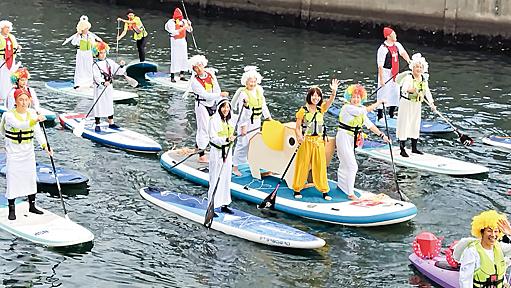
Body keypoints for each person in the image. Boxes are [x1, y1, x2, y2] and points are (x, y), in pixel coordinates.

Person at [0, 88, 50, 220]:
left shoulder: (32, 113)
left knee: (30, 178)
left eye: (26, 100)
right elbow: (20, 125)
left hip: (28, 152)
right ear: (15, 101)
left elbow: (38, 133)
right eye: (20, 100)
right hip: (14, 153)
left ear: (29, 101)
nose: (23, 102)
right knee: (13, 179)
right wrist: (36, 119)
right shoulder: (9, 115)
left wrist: (45, 146)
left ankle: (32, 206)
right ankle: (12, 209)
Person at [336, 84, 390, 200]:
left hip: (352, 139)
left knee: (345, 164)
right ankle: (350, 193)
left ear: (362, 99)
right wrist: (379, 102)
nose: (356, 100)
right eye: (353, 97)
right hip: (343, 137)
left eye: (358, 98)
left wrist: (382, 135)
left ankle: (342, 187)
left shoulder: (359, 110)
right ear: (349, 98)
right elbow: (366, 110)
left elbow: (370, 125)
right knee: (352, 166)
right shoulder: (347, 108)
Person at [292, 79, 339, 201]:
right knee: (302, 164)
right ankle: (297, 188)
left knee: (320, 165)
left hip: (318, 141)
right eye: (314, 96)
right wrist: (299, 136)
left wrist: (333, 92)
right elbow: (297, 127)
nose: (316, 98)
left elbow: (330, 102)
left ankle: (324, 190)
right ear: (309, 97)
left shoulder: (321, 109)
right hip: (306, 141)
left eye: (318, 96)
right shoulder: (302, 111)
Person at [232, 66, 271, 176]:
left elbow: (263, 106)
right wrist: (243, 126)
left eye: (254, 81)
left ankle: (254, 165)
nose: (252, 84)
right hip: (246, 122)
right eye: (250, 81)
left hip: (256, 122)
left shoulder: (259, 91)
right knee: (242, 144)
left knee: (255, 143)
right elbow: (242, 111)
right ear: (246, 82)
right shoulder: (243, 94)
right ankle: (235, 166)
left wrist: (268, 118)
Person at [189, 55, 228, 163]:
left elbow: (216, 88)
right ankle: (201, 155)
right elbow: (205, 95)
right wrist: (219, 94)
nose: (199, 69)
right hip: (202, 105)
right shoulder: (195, 82)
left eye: (200, 65)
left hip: (212, 104)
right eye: (196, 67)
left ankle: (198, 147)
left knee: (213, 126)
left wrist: (221, 99)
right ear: (194, 69)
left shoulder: (210, 74)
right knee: (204, 129)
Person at [456, 210, 511, 288]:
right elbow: (465, 280)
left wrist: (510, 233)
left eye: (496, 231)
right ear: (481, 232)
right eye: (489, 231)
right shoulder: (472, 251)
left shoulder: (500, 247)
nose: (493, 235)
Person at [396, 53, 437, 157]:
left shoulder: (423, 79)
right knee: (404, 124)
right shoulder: (409, 77)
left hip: (417, 104)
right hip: (406, 103)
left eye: (420, 67)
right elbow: (404, 89)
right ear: (412, 68)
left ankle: (414, 148)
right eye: (416, 67)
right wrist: (411, 90)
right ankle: (402, 149)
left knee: (415, 124)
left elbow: (427, 92)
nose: (418, 69)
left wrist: (432, 103)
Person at [208, 98, 236, 216]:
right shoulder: (213, 120)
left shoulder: (230, 120)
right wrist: (225, 140)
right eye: (224, 107)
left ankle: (224, 204)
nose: (226, 109)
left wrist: (245, 106)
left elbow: (244, 117)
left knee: (226, 178)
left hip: (228, 152)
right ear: (219, 108)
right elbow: (213, 138)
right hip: (217, 153)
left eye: (228, 107)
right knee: (215, 178)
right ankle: (211, 205)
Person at [376, 26, 410, 121]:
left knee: (395, 92)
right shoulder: (383, 49)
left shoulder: (397, 45)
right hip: (386, 72)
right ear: (388, 36)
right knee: (383, 93)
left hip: (395, 72)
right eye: (393, 35)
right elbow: (380, 65)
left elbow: (403, 53)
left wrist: (409, 61)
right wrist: (382, 79)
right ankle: (380, 116)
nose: (395, 36)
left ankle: (391, 113)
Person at [91, 41, 126, 132]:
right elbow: (96, 77)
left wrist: (121, 66)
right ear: (97, 54)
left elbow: (118, 71)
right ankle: (97, 124)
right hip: (99, 88)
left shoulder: (109, 62)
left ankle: (111, 123)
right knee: (98, 105)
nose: (103, 55)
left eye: (104, 52)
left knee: (109, 104)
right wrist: (103, 82)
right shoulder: (95, 65)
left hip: (109, 88)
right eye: (101, 53)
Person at [63, 15, 102, 89]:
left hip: (88, 53)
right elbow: (73, 43)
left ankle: (90, 83)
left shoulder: (90, 36)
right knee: (80, 68)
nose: (87, 30)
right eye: (86, 28)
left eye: (87, 28)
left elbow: (94, 44)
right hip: (81, 52)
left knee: (89, 68)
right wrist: (77, 36)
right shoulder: (79, 36)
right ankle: (78, 83)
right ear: (82, 29)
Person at [164, 8, 192, 82]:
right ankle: (172, 77)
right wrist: (183, 28)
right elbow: (173, 32)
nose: (179, 19)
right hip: (175, 42)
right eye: (178, 17)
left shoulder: (184, 21)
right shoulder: (171, 22)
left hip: (183, 41)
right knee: (175, 58)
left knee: (184, 57)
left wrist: (189, 25)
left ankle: (182, 75)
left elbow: (190, 30)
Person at [0, 20, 21, 104]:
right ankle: (2, 96)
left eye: (9, 28)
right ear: (2, 28)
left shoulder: (12, 37)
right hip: (2, 60)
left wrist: (18, 47)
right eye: (6, 28)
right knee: (2, 77)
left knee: (10, 77)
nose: (8, 29)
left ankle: (10, 95)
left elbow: (15, 47)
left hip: (11, 60)